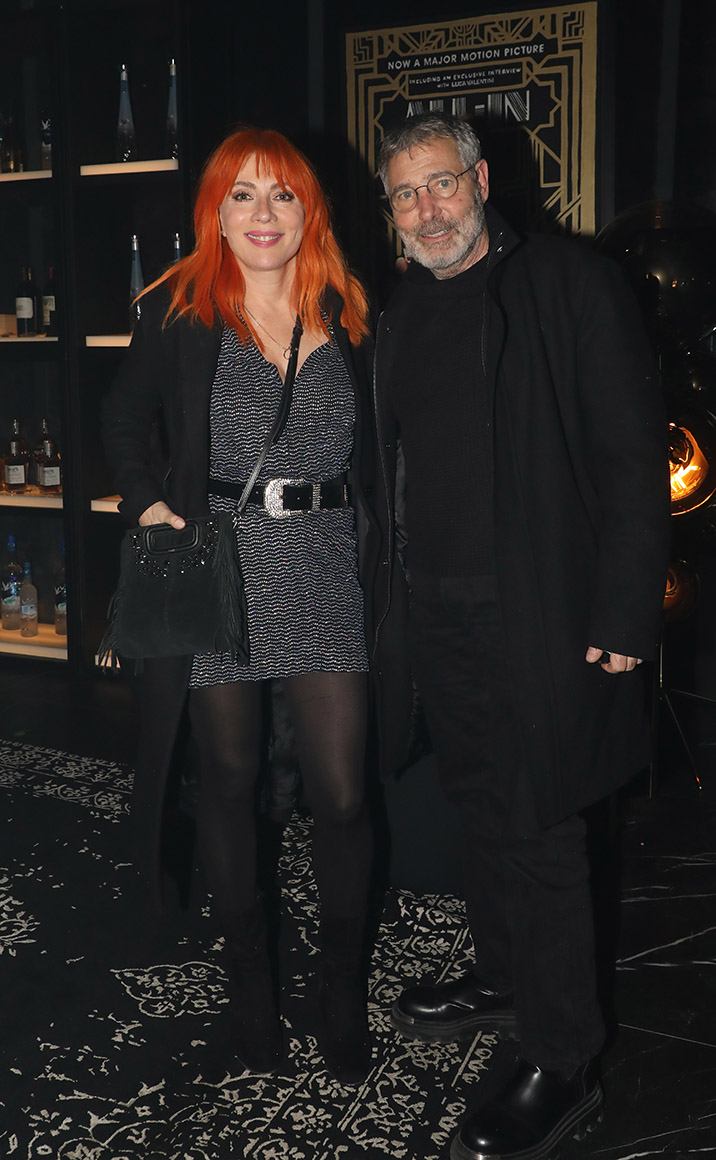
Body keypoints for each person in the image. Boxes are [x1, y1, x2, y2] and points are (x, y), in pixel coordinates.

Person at [370, 113, 670, 1160]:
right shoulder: (397, 310)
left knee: (542, 827)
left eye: (441, 184)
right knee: (481, 805)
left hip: (543, 609)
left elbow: (632, 456)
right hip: (437, 610)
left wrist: (624, 612)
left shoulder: (569, 284)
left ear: (482, 180)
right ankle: (504, 976)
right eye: (405, 195)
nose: (426, 210)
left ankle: (563, 1055)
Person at [102, 127, 380, 1086]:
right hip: (221, 565)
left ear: (311, 211)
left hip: (326, 563)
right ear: (215, 214)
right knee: (227, 779)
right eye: (243, 196)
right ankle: (250, 985)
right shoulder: (180, 309)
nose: (264, 214)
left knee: (343, 793)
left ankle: (340, 987)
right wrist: (146, 502)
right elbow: (121, 415)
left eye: (283, 195)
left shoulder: (349, 308)